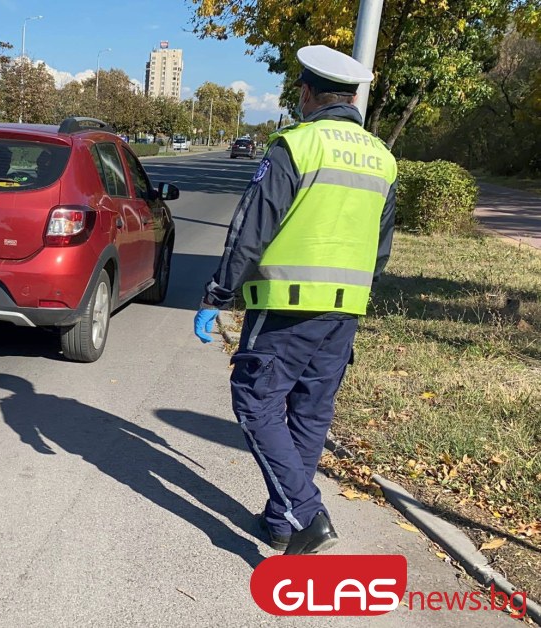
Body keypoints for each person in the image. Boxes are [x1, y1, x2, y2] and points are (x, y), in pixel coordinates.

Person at [192, 45, 398, 556]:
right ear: (351, 97)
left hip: (286, 304)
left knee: (255, 400)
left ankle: (306, 515)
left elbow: (250, 228)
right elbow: (381, 248)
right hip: (345, 309)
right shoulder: (382, 158)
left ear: (307, 93)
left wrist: (218, 292)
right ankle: (283, 519)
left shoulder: (297, 145)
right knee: (309, 411)